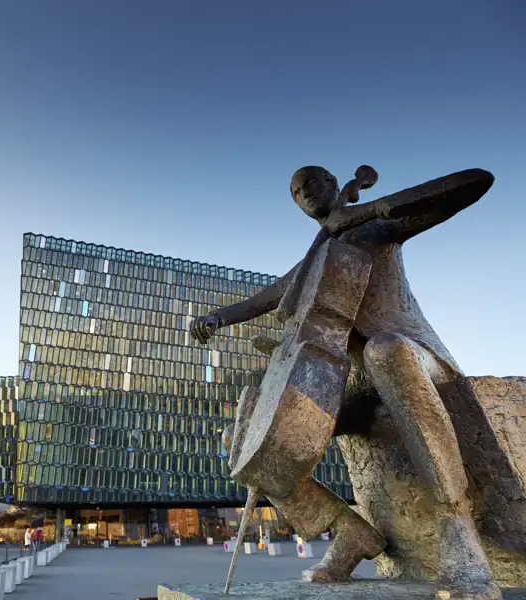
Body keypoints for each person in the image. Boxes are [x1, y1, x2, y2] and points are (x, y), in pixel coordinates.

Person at [191, 166, 498, 599]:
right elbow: (264, 300)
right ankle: (349, 531)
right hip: (356, 384)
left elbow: (473, 182)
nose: (302, 192)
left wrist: (370, 209)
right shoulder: (314, 259)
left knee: (385, 350)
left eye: (310, 182)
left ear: (336, 185)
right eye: (295, 191)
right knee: (243, 440)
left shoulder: (375, 227)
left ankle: (458, 529)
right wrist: (217, 317)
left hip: (414, 357)